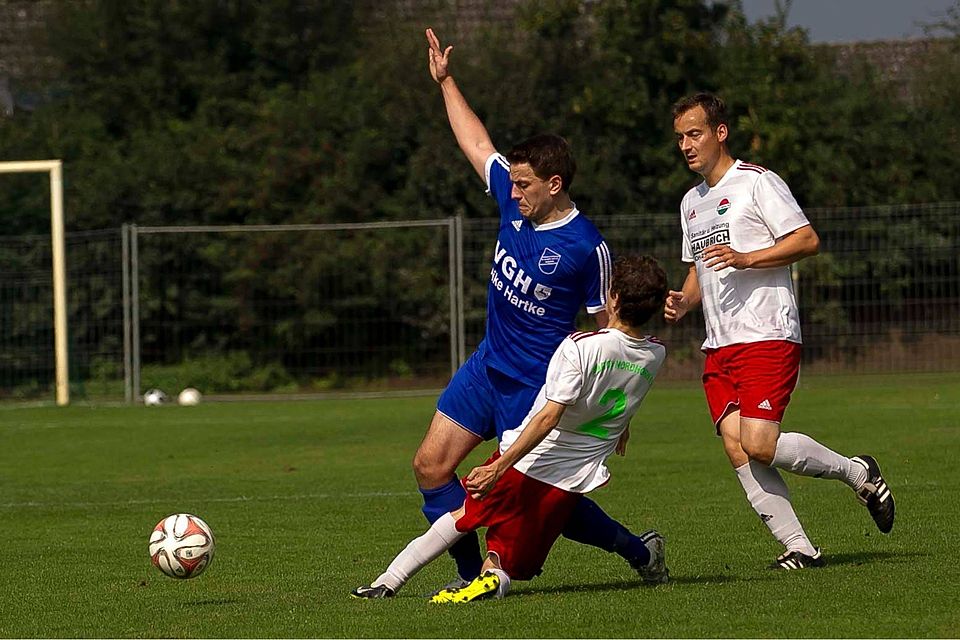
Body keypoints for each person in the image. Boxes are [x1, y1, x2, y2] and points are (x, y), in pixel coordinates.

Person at [411, 28, 659, 586]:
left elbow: (608, 331)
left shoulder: (585, 246)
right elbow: (477, 143)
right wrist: (446, 82)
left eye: (523, 185)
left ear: (554, 183)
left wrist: (607, 412)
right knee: (431, 466)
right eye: (513, 183)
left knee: (544, 502)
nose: (513, 193)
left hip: (537, 386)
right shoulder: (512, 197)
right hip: (487, 366)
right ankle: (470, 572)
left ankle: (637, 551)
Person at [664, 92, 895, 570]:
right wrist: (685, 300)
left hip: (766, 332)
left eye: (694, 133)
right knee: (737, 447)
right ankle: (801, 548)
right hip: (719, 343)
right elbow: (698, 270)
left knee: (760, 444)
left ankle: (859, 473)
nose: (686, 145)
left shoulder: (757, 183)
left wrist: (748, 257)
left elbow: (807, 239)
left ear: (719, 133)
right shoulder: (691, 203)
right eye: (680, 137)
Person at [352, 255, 670, 601]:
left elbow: (548, 417)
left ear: (615, 299)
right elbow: (621, 393)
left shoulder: (580, 347)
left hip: (529, 463)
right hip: (570, 481)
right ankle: (638, 555)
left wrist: (497, 467)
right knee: (501, 562)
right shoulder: (656, 354)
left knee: (460, 517)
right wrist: (621, 427)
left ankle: (389, 581)